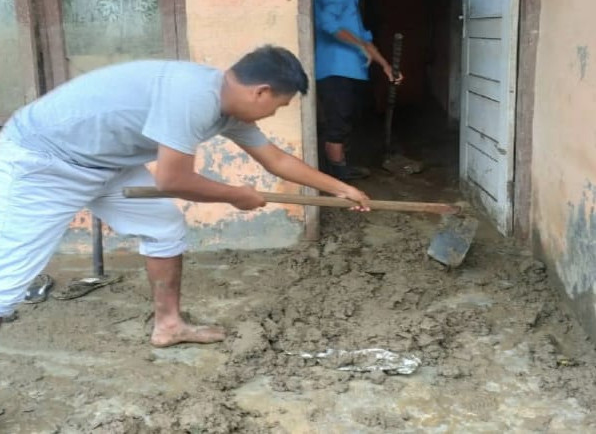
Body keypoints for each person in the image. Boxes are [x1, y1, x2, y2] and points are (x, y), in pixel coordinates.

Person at [0, 46, 370, 346]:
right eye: (278, 106)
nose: (273, 114)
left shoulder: (228, 110)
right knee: (10, 277)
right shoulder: (194, 96)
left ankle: (169, 326)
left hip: (104, 162)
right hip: (44, 159)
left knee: (163, 227)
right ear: (261, 92)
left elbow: (274, 158)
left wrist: (341, 188)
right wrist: (235, 195)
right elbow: (172, 180)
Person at [314, 0, 404, 181]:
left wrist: (385, 66)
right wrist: (360, 46)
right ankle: (337, 174)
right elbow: (328, 24)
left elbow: (364, 37)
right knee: (337, 120)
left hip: (349, 70)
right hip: (335, 68)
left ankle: (341, 165)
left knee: (346, 119)